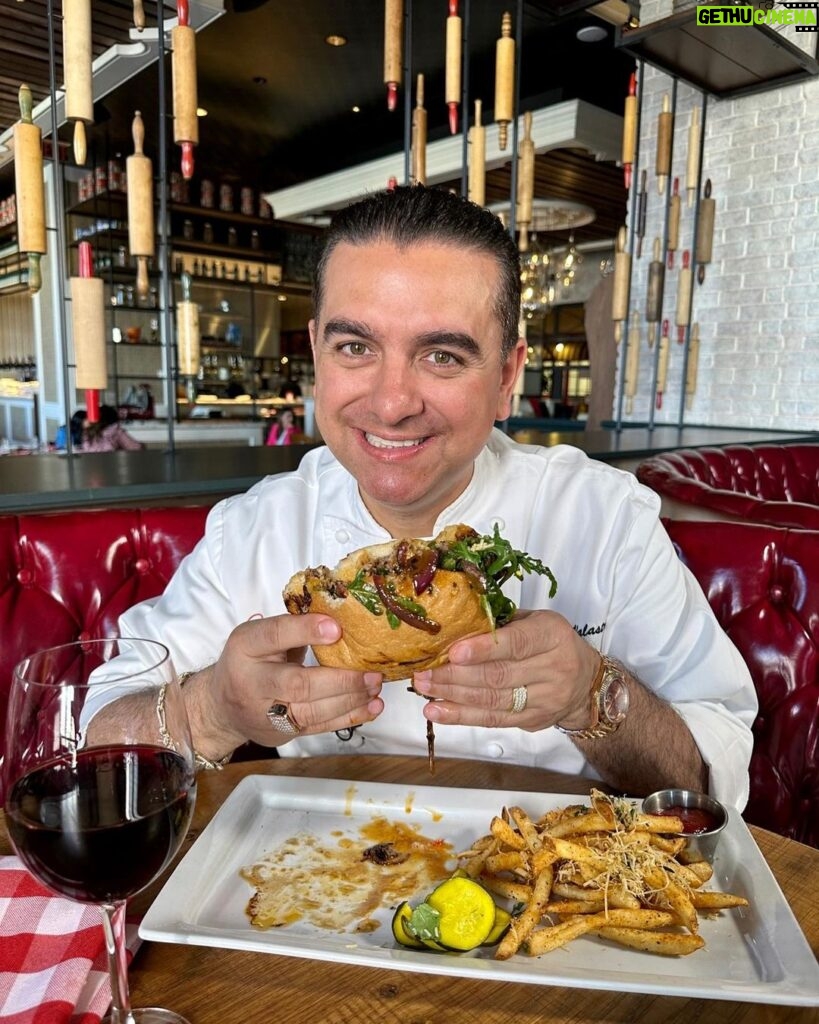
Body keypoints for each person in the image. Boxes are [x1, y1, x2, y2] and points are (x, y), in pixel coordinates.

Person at [119, 186, 756, 807]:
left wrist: (593, 694)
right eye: (355, 347)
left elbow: (709, 777)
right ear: (317, 352)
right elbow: (87, 739)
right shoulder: (255, 528)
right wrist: (211, 708)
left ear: (507, 377)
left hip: (555, 881)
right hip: (323, 884)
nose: (392, 403)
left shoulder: (605, 516)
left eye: (443, 356)